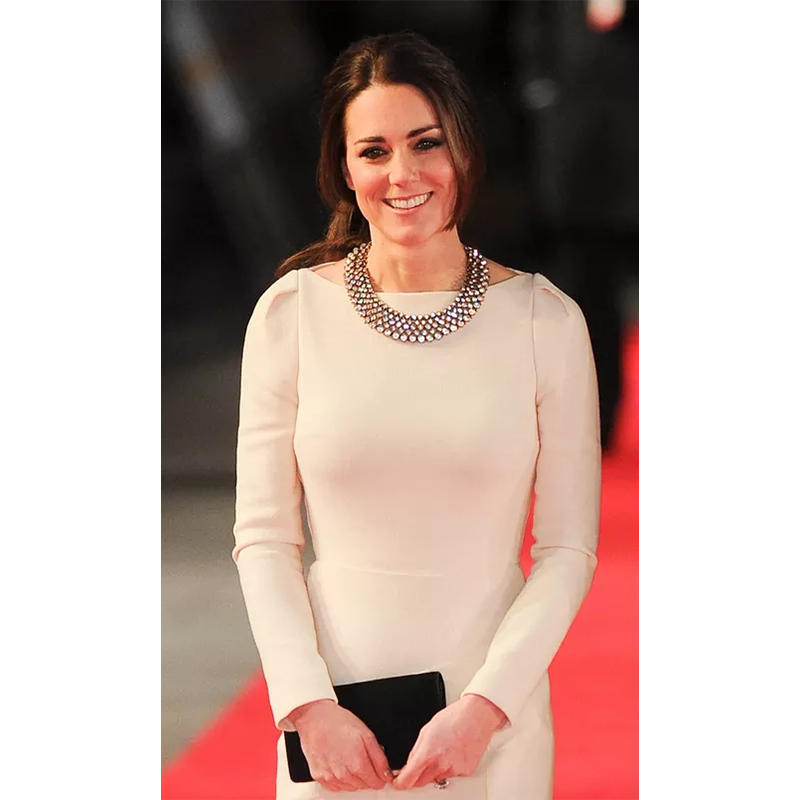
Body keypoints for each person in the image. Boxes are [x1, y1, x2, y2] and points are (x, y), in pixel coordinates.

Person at [232, 32, 601, 798]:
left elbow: (568, 547)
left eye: (425, 143)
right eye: (374, 151)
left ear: (463, 150)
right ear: (345, 170)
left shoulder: (546, 323)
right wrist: (306, 706)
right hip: (335, 727)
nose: (402, 174)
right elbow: (264, 538)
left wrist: (486, 707)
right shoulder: (290, 317)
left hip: (491, 727)